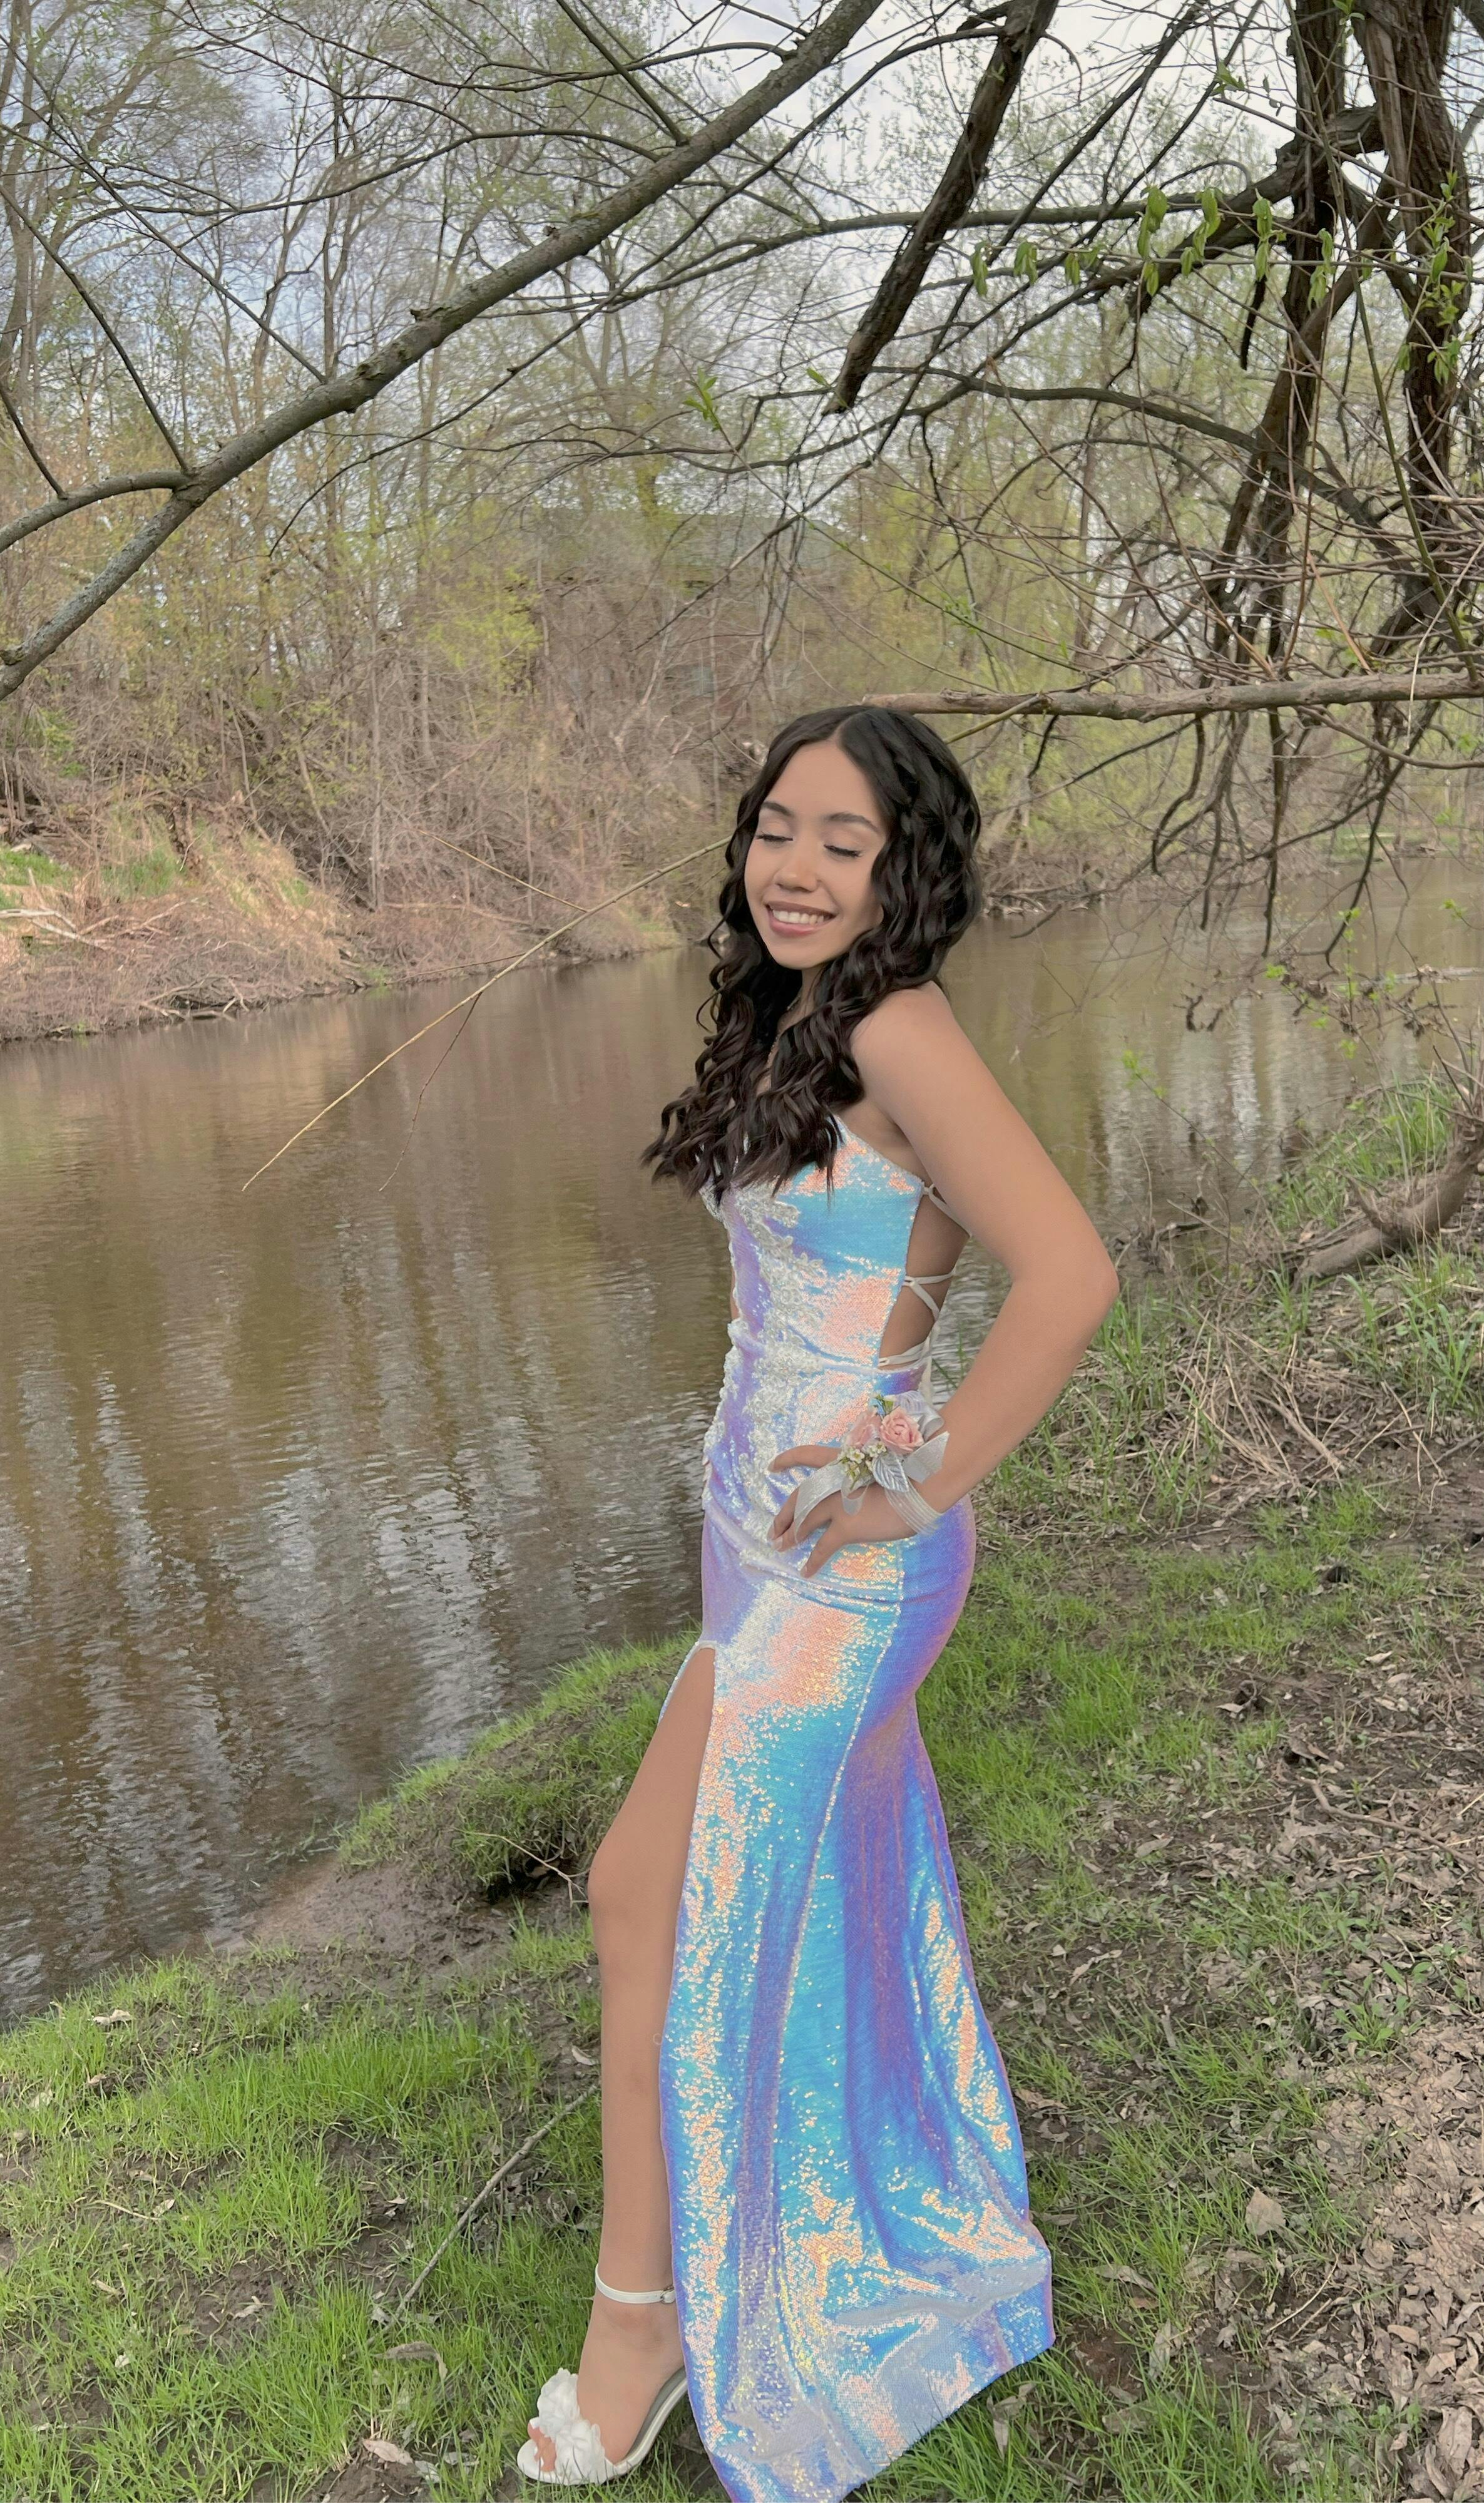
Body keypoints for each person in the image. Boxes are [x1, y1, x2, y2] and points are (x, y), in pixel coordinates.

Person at [517, 705, 1120, 2497]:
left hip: (848, 1572)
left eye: (841, 842)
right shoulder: (795, 1015)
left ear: (902, 867)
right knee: (796, 1895)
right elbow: (816, 1285)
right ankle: (863, 2199)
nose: (794, 866)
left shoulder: (899, 1028)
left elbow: (1070, 1273)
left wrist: (915, 1477)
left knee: (644, 1896)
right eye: (777, 826)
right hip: (755, 1535)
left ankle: (642, 2326)